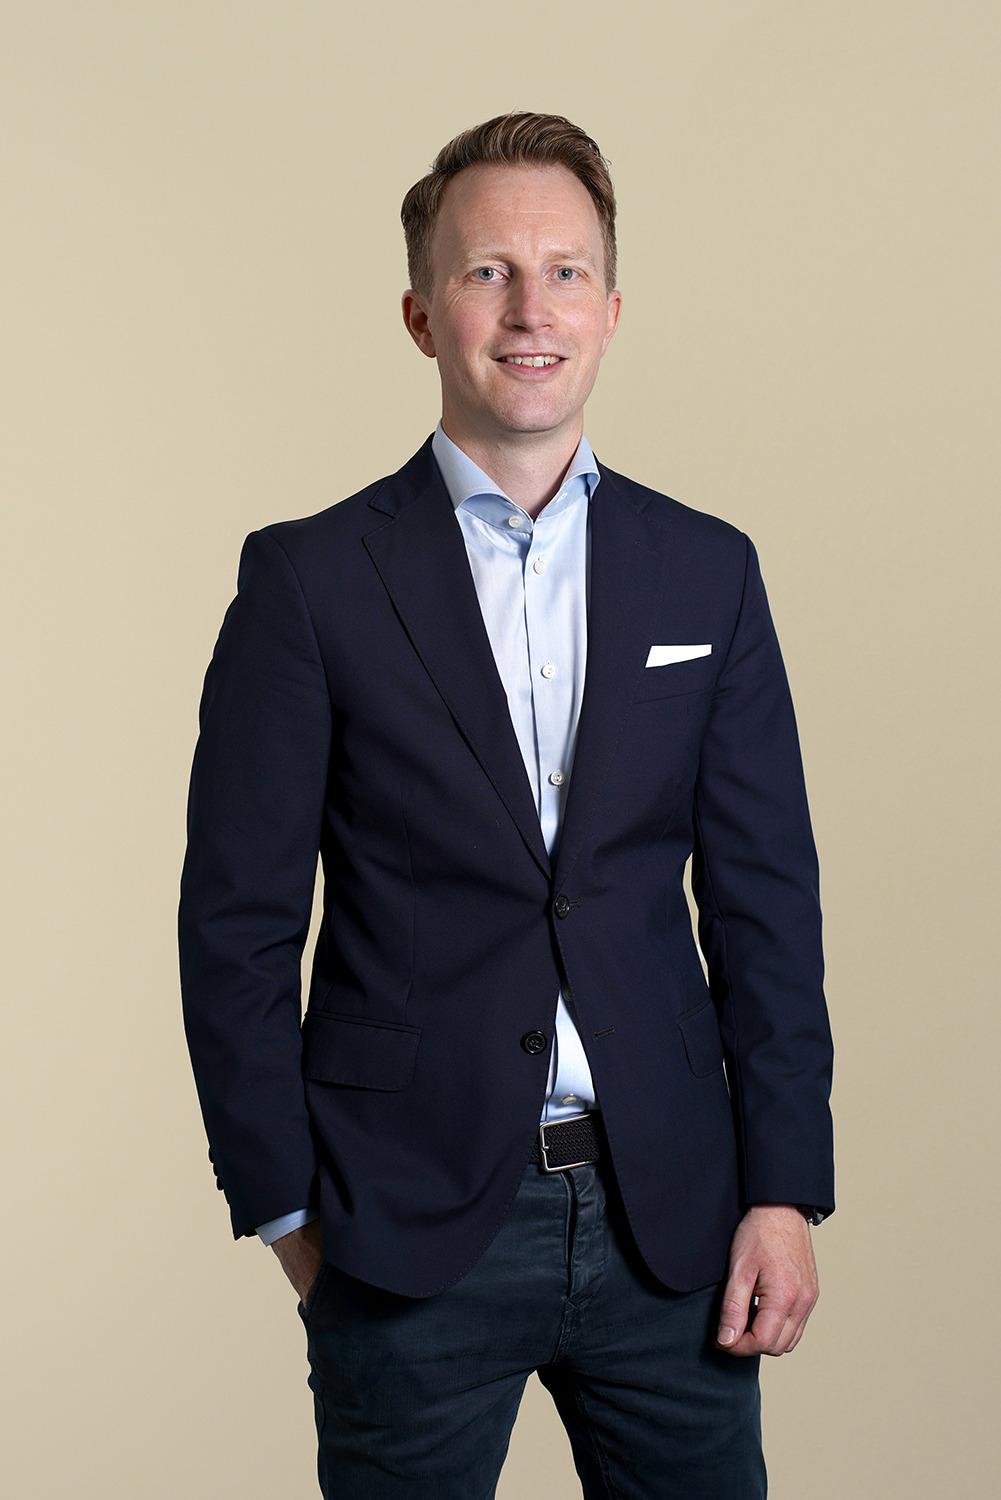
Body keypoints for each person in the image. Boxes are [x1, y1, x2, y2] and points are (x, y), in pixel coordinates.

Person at [178, 109, 835, 1498]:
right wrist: (288, 1212)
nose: (531, 309)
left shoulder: (706, 570)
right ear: (422, 316)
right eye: (488, 272)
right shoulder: (308, 581)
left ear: (610, 309)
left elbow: (766, 904)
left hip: (673, 1221)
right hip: (404, 1225)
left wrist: (781, 1188)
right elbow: (235, 923)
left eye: (565, 271)